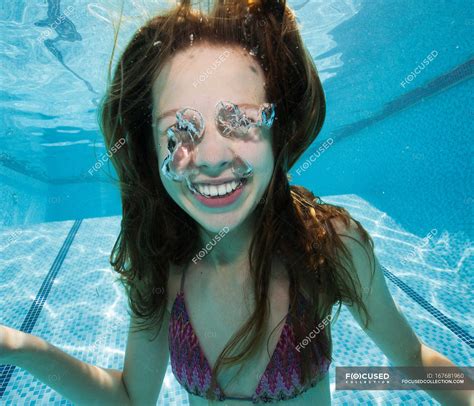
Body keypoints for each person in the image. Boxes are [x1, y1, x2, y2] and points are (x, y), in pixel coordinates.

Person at [0, 1, 471, 405]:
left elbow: (410, 359)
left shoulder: (328, 245)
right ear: (150, 150)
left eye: (241, 120)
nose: (211, 158)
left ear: (276, 128)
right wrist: (18, 347)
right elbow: (130, 397)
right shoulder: (165, 267)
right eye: (179, 131)